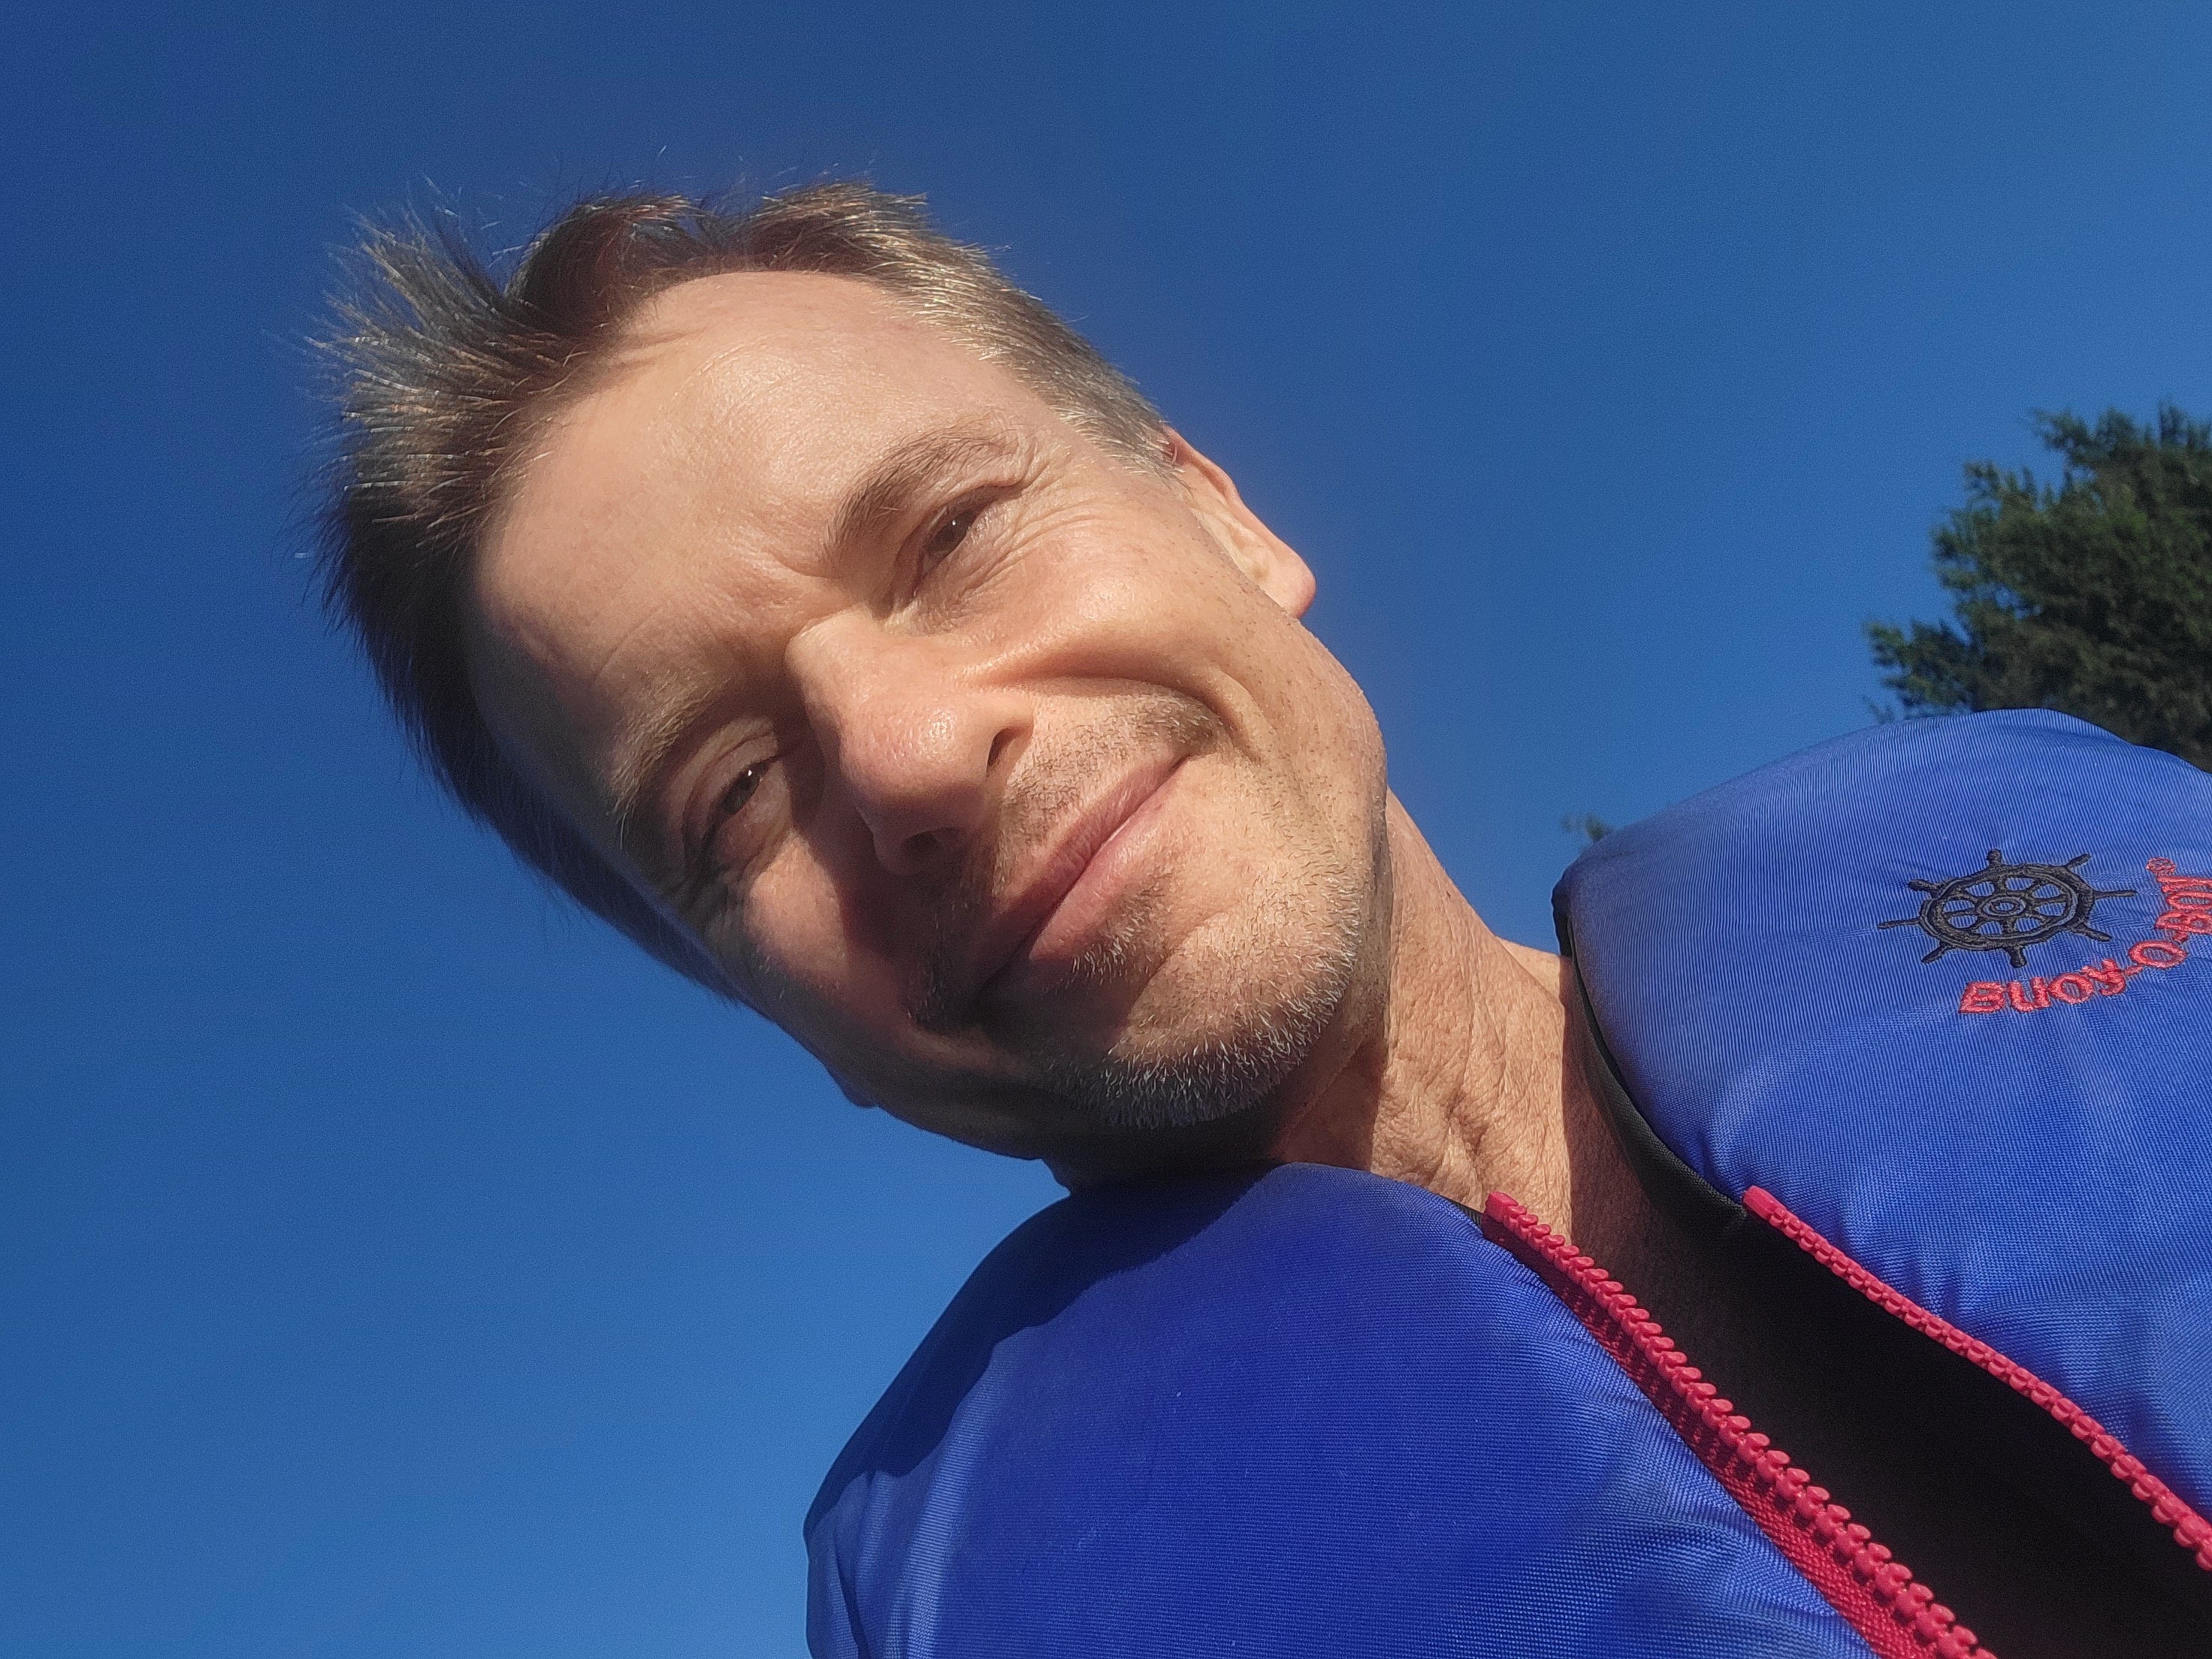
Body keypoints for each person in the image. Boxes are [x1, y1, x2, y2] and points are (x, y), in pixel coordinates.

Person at [319, 182, 2212, 1657]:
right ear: (760, 1003)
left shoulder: (2092, 834)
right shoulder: (959, 1601)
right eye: (731, 794)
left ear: (1220, 516)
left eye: (954, 532)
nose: (906, 756)